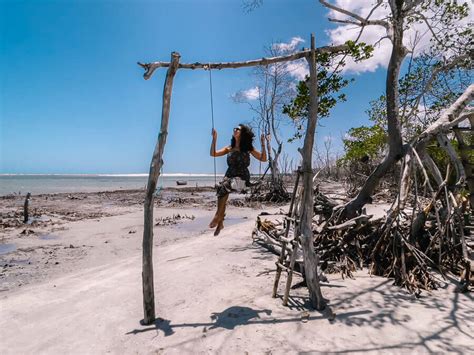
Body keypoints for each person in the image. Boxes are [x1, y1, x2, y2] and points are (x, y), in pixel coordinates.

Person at [209, 124, 268, 236]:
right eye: (234, 128)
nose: (235, 130)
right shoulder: (229, 148)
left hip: (242, 180)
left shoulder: (248, 148)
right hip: (229, 176)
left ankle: (218, 216)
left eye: (238, 129)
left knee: (225, 185)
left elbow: (263, 159)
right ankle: (220, 222)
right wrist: (214, 138)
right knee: (222, 189)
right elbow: (213, 154)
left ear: (243, 133)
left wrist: (263, 145)